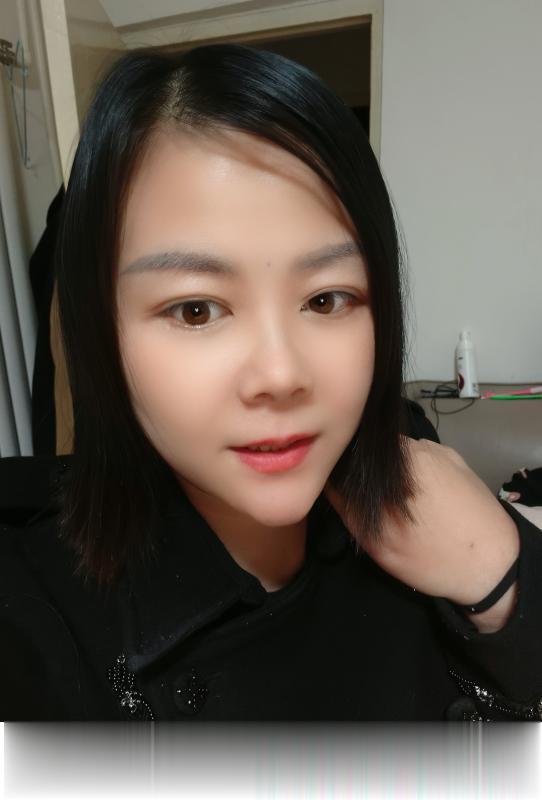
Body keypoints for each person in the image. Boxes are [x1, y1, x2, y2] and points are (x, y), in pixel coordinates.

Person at [1, 44, 541, 722]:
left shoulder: (413, 460)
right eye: (196, 310)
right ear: (100, 330)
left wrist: (503, 572)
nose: (281, 376)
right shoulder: (34, 609)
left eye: (326, 299)